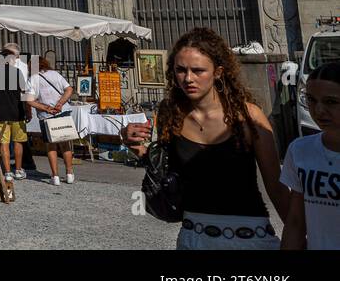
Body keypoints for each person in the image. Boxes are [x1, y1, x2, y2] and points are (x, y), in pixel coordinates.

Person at [123, 27, 290, 250]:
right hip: (194, 236)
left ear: (218, 72)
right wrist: (135, 147)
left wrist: (301, 235)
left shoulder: (248, 116)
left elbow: (276, 187)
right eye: (181, 70)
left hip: (249, 237)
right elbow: (169, 171)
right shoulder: (170, 113)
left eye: (198, 70)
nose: (188, 78)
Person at [281, 60, 340, 250]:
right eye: (311, 100)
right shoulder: (300, 150)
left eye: (331, 102)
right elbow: (297, 222)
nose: (319, 110)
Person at [0, 43, 33, 181]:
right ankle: (18, 170)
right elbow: (24, 93)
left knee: (4, 143)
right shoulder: (17, 72)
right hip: (17, 111)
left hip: (0, 111)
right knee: (18, 142)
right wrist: (28, 110)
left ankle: (7, 172)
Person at [30, 51, 74, 185]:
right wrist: (60, 103)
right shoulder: (55, 74)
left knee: (51, 147)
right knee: (65, 144)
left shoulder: (32, 79)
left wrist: (46, 108)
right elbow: (69, 89)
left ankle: (55, 176)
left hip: (46, 115)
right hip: (62, 112)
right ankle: (69, 173)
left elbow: (29, 101)